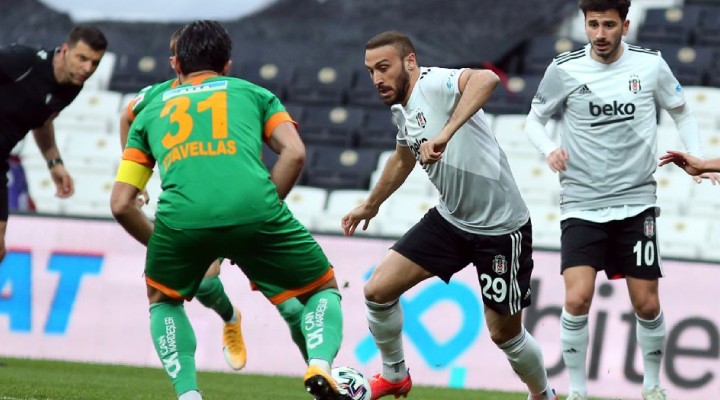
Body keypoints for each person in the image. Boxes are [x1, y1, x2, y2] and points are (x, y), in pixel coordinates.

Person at [111, 20, 348, 400]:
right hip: (256, 212)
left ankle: (189, 395)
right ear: (227, 65)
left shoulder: (151, 106)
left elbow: (121, 204)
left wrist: (163, 240)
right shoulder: (254, 93)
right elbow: (295, 153)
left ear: (176, 64)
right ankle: (320, 363)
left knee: (164, 300)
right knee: (321, 289)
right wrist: (263, 208)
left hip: (183, 223)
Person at [341, 31, 556, 400]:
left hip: (501, 230)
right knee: (377, 290)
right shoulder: (403, 108)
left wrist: (445, 134)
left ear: (410, 62)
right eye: (371, 71)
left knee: (505, 335)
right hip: (451, 221)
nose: (376, 78)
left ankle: (543, 395)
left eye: (384, 67)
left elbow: (486, 78)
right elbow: (403, 159)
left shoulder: (433, 83)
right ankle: (394, 375)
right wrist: (371, 204)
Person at [523, 1, 708, 399]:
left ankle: (653, 386)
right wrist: (548, 149)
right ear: (584, 24)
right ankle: (577, 391)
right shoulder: (564, 68)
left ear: (625, 25)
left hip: (636, 201)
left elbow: (682, 112)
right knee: (577, 298)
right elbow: (534, 121)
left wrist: (695, 155)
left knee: (646, 304)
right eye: (593, 24)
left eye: (609, 25)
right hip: (582, 201)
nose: (600, 34)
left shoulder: (650, 65)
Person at [0, 25, 106, 262]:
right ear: (65, 50)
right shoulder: (24, 60)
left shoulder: (72, 86)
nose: (87, 69)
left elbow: (43, 120)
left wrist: (54, 162)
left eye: (95, 63)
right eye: (82, 58)